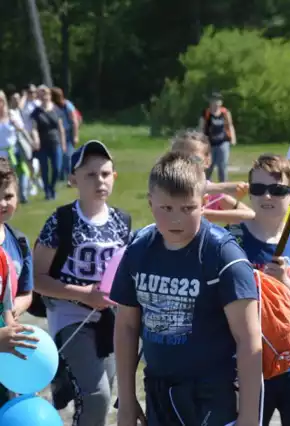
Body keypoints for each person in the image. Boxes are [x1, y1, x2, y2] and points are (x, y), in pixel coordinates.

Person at [111, 151, 262, 426]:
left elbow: (249, 340)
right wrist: (127, 401)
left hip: (212, 394)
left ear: (204, 204)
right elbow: (126, 327)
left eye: (187, 208)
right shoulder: (138, 251)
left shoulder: (224, 256)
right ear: (150, 202)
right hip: (159, 391)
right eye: (166, 209)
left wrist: (250, 417)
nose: (176, 219)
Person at [32, 140, 130, 426]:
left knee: (100, 393)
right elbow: (37, 279)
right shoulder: (61, 221)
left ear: (114, 177)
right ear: (73, 180)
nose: (99, 180)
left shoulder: (122, 221)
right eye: (90, 174)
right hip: (70, 316)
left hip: (109, 319)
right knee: (96, 395)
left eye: (105, 173)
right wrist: (84, 294)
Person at [227, 154, 290, 426]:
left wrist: (285, 282)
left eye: (277, 190)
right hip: (245, 362)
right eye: (257, 189)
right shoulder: (231, 238)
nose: (266, 196)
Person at [169, 129, 254, 224]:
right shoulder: (165, 186)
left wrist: (209, 214)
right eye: (177, 159)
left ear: (207, 161)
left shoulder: (214, 196)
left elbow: (252, 217)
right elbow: (188, 189)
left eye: (193, 159)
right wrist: (223, 188)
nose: (185, 164)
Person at [0, 158, 34, 318]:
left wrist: (12, 309)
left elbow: (26, 293)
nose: (2, 203)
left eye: (8, 196)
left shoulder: (20, 242)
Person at [30, 85, 66, 200]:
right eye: (41, 94)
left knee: (57, 168)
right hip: (43, 144)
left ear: (50, 95)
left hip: (55, 142)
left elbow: (61, 127)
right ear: (39, 97)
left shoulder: (56, 109)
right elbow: (34, 128)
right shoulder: (36, 112)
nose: (44, 96)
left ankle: (52, 187)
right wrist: (36, 139)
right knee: (44, 169)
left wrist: (63, 142)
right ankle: (47, 192)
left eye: (45, 93)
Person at [199, 92, 237, 183]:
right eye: (214, 100)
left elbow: (230, 125)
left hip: (223, 142)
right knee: (209, 166)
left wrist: (233, 138)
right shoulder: (206, 113)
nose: (216, 103)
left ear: (221, 102)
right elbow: (201, 127)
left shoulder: (225, 112)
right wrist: (200, 140)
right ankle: (206, 185)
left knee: (222, 165)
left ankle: (223, 186)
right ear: (210, 102)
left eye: (218, 100)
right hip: (209, 143)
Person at [51, 87, 80, 182]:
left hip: (68, 133)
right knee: (61, 156)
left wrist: (75, 136)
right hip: (57, 133)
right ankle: (63, 176)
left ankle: (71, 176)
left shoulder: (67, 105)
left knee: (68, 155)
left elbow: (75, 121)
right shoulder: (52, 106)